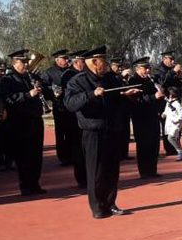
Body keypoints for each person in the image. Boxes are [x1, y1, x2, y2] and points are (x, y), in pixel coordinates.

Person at [64, 46, 141, 218]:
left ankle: (110, 203)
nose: (105, 64)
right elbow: (70, 103)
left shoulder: (110, 79)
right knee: (96, 171)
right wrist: (91, 94)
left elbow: (117, 97)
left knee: (112, 170)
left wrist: (127, 95)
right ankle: (98, 207)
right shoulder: (77, 81)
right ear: (93, 62)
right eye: (102, 61)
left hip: (112, 129)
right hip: (93, 131)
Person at [1, 49, 46, 196]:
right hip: (20, 122)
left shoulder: (30, 77)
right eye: (23, 62)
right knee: (23, 155)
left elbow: (43, 90)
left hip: (35, 119)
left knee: (36, 155)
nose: (26, 64)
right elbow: (8, 99)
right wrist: (28, 94)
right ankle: (25, 185)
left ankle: (35, 184)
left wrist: (41, 89)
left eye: (27, 62)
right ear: (15, 63)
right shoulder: (8, 80)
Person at [128, 57, 163, 178]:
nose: (148, 71)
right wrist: (154, 97)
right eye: (145, 68)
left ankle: (152, 170)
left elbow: (157, 96)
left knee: (154, 144)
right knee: (144, 144)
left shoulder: (150, 80)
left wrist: (160, 100)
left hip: (153, 115)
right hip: (141, 117)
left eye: (149, 68)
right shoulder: (133, 81)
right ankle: (144, 171)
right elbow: (136, 99)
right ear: (138, 69)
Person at [61, 50, 88, 188]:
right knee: (78, 149)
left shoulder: (84, 74)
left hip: (84, 117)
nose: (86, 64)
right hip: (73, 117)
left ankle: (88, 177)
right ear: (77, 62)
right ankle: (81, 179)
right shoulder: (68, 75)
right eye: (84, 61)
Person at [41, 49, 72, 167]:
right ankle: (63, 157)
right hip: (59, 106)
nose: (66, 61)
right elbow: (43, 88)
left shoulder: (70, 71)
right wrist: (52, 93)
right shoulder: (49, 72)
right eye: (64, 59)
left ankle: (72, 155)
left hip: (71, 105)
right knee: (60, 132)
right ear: (57, 60)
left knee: (72, 132)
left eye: (67, 58)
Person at [154, 50, 182, 156]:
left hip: (176, 100)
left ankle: (177, 146)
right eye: (170, 59)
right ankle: (170, 149)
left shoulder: (172, 69)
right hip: (166, 101)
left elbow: (181, 83)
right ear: (164, 59)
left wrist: (181, 76)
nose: (173, 61)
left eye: (173, 59)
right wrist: (173, 72)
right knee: (168, 125)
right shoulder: (159, 70)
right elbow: (163, 82)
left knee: (177, 124)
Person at [162, 86, 182, 161]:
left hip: (175, 124)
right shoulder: (168, 103)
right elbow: (166, 111)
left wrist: (176, 120)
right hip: (169, 123)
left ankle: (179, 151)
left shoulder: (177, 104)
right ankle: (181, 154)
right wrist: (163, 114)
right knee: (176, 139)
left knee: (170, 138)